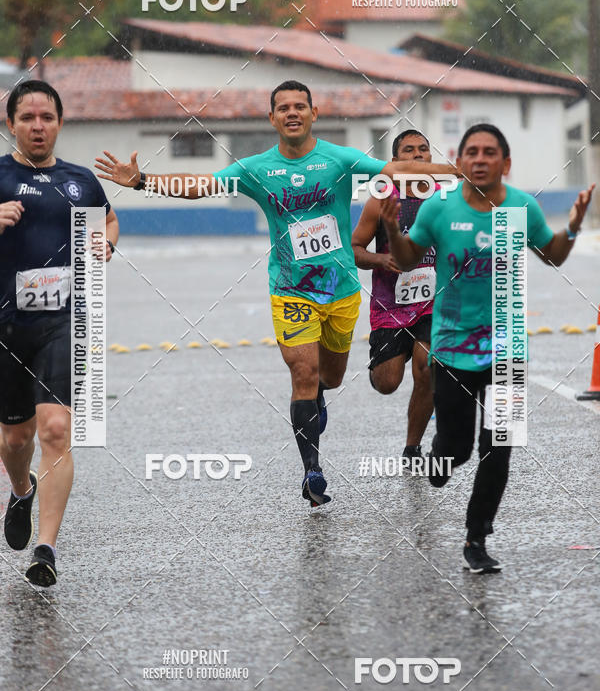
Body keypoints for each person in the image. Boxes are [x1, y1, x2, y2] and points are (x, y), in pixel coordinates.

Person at [96, 80, 458, 508]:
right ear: (272, 118)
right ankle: (312, 472)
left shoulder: (340, 160)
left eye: (300, 106)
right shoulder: (255, 169)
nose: (292, 113)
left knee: (330, 377)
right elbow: (202, 185)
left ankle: (319, 392)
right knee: (302, 371)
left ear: (313, 114)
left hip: (340, 290)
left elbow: (396, 171)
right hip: (290, 290)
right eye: (283, 107)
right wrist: (143, 181)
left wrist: (462, 172)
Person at [381, 123, 595, 573]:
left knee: (499, 448)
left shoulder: (520, 207)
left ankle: (476, 538)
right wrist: (392, 229)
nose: (480, 159)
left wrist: (573, 228)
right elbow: (406, 259)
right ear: (460, 161)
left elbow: (552, 255)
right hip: (452, 348)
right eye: (472, 152)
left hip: (507, 347)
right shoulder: (440, 208)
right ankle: (439, 458)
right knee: (456, 450)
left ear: (506, 162)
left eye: (489, 152)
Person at [0, 80, 118, 586]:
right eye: (27, 118)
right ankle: (21, 489)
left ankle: (45, 549)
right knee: (15, 438)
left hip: (64, 322)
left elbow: (109, 221)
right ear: (10, 124)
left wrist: (105, 245)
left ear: (60, 123)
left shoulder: (80, 181)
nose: (37, 126)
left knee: (54, 430)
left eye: (46, 117)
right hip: (6, 325)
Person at [352, 130, 436, 470]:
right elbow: (355, 249)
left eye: (423, 149)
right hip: (391, 307)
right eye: (408, 150)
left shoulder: (446, 198)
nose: (417, 155)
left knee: (428, 367)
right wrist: (380, 259)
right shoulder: (381, 200)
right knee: (388, 383)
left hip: (434, 303)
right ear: (395, 160)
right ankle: (384, 365)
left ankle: (412, 448)